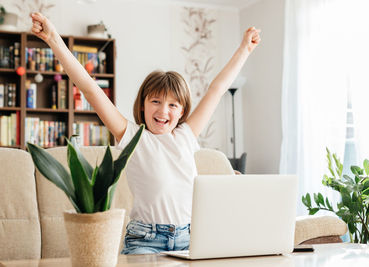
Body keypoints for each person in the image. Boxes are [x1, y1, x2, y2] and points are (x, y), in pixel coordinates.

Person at [30, 12, 260, 255]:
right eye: (156, 101)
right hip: (145, 239)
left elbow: (217, 89)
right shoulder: (131, 136)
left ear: (182, 111)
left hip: (189, 238)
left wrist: (245, 49)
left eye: (173, 105)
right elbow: (90, 89)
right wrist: (54, 38)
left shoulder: (186, 135)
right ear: (142, 104)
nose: (163, 111)